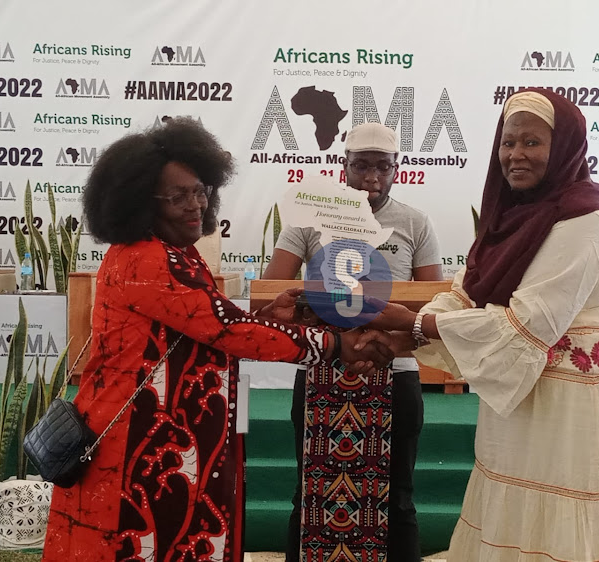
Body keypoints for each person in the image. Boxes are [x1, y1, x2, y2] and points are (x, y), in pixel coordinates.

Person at [41, 118, 393, 562]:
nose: (195, 205)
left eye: (201, 191)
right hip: (136, 445)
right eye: (178, 196)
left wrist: (266, 317)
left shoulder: (174, 252)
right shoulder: (146, 260)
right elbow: (227, 330)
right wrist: (335, 345)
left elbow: (203, 330)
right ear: (138, 202)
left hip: (167, 434)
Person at [365, 89, 599, 561]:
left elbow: (526, 325)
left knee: (567, 525)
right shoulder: (512, 215)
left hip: (579, 401)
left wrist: (416, 324)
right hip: (520, 391)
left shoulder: (586, 224)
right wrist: (413, 331)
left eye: (532, 143)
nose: (515, 155)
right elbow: (467, 290)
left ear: (564, 149)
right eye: (507, 141)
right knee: (512, 513)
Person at [263, 122, 443, 562]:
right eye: (361, 166)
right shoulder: (309, 215)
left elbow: (433, 309)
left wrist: (383, 340)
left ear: (397, 169)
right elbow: (271, 292)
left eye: (383, 167)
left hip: (394, 371)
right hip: (322, 369)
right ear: (343, 166)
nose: (371, 178)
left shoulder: (415, 223)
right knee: (309, 493)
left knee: (397, 497)